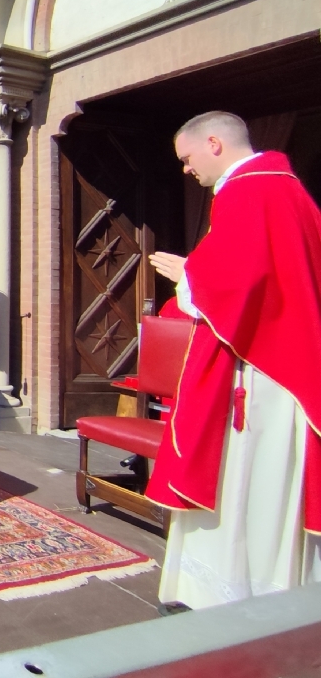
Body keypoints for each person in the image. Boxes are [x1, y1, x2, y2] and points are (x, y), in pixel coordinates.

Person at [147, 111, 321, 612]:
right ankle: (270, 591)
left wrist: (191, 272)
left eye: (187, 158)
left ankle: (229, 597)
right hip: (283, 366)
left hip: (261, 372)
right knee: (266, 485)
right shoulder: (287, 190)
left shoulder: (249, 191)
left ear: (215, 144)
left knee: (244, 485)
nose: (186, 170)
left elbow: (241, 284)